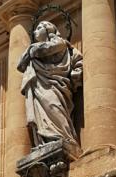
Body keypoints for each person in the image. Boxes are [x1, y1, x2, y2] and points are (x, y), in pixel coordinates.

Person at [17, 20, 84, 155]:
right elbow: (20, 64)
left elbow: (43, 50)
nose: (35, 32)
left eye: (39, 28)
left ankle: (64, 138)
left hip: (57, 86)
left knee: (54, 107)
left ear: (49, 30)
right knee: (42, 114)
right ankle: (45, 141)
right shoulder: (33, 50)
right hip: (40, 86)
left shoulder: (60, 44)